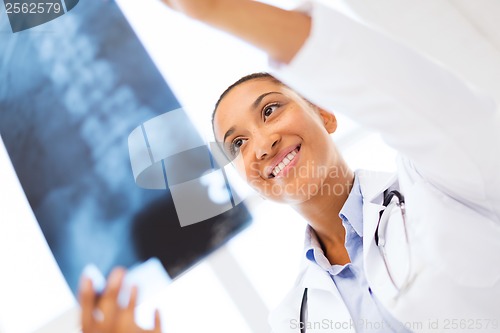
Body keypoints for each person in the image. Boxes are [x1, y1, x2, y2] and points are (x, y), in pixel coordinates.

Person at [78, 0, 500, 332]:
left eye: (271, 110)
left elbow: (411, 97)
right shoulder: (290, 320)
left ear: (326, 115)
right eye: (237, 143)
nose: (261, 145)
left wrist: (220, 10)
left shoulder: (442, 184)